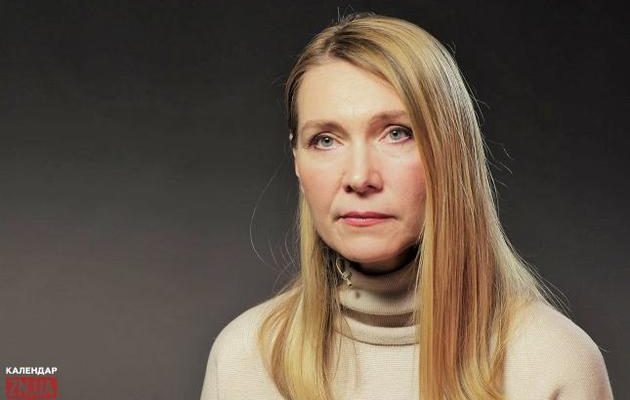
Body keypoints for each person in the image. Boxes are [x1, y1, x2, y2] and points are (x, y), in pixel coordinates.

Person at [199, 12, 614, 400]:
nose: (359, 177)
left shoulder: (553, 363)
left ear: (451, 152)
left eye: (396, 133)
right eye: (325, 140)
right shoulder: (243, 359)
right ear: (297, 161)